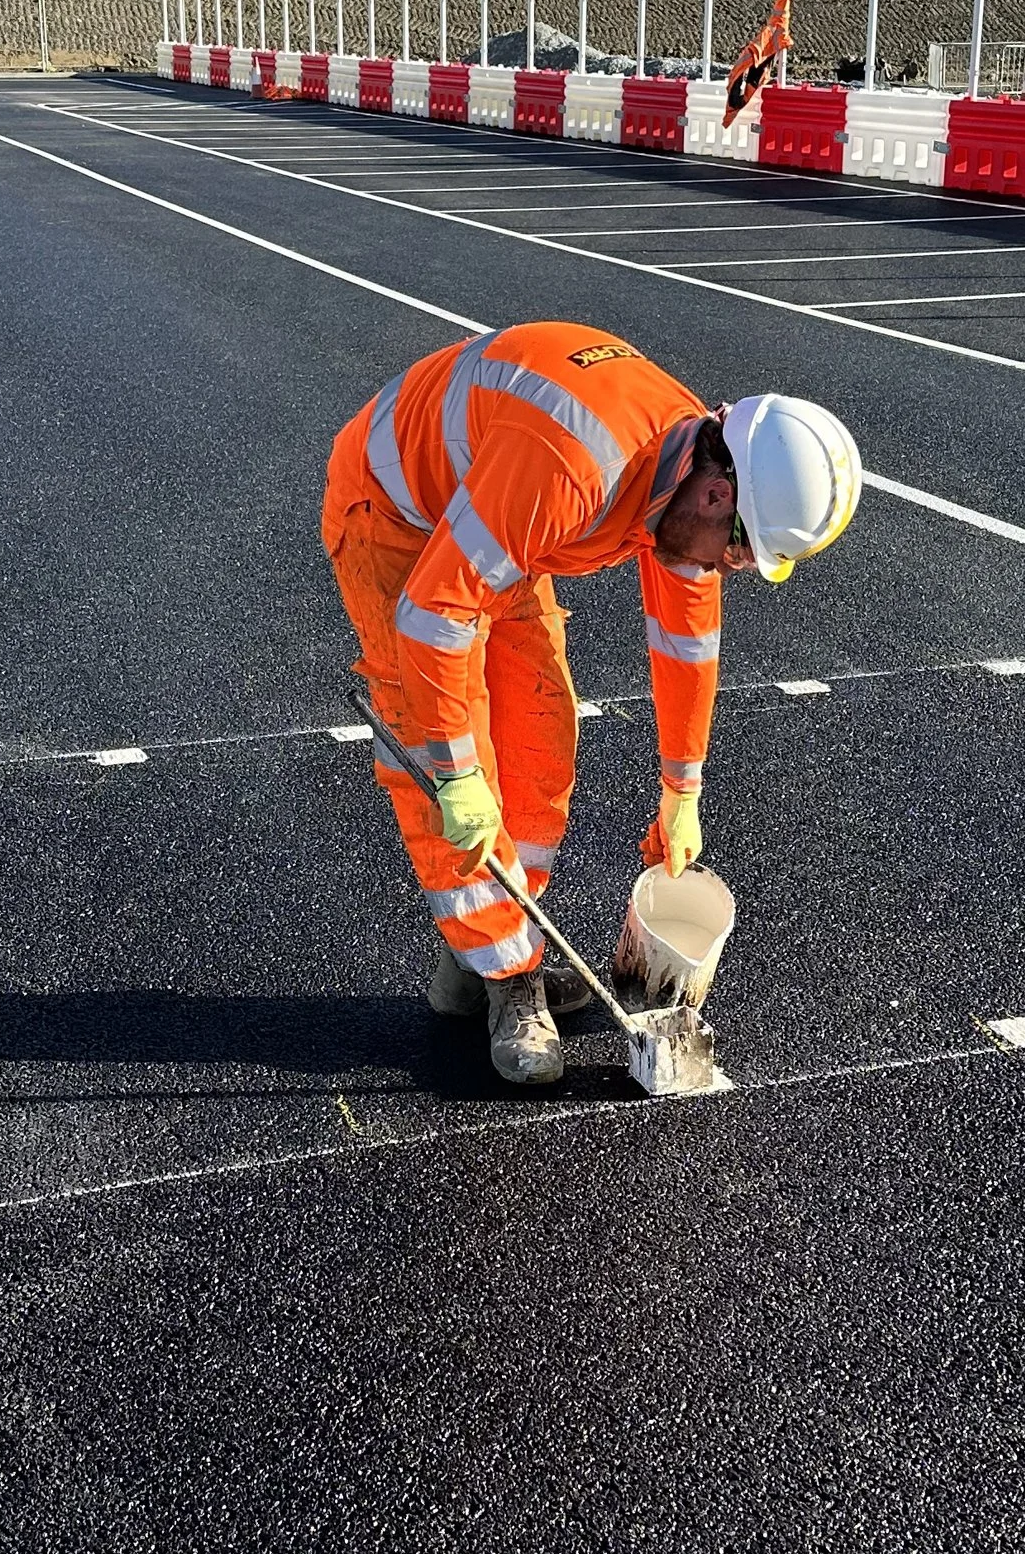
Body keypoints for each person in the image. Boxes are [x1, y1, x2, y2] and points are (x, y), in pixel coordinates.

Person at [321, 322, 860, 1086]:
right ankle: (509, 980)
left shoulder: (690, 464)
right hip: (395, 519)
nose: (729, 570)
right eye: (738, 554)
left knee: (540, 733)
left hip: (489, 520)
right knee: (449, 751)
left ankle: (480, 957)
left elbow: (686, 645)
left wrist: (683, 792)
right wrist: (454, 771)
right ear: (717, 495)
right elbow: (432, 614)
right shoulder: (576, 467)